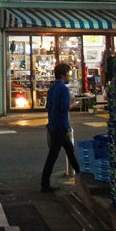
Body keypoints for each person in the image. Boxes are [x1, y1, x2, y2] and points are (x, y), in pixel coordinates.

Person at [40, 62, 80, 192]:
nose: (69, 76)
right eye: (68, 74)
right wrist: (73, 105)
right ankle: (45, 184)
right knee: (54, 155)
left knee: (69, 150)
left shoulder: (52, 88)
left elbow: (48, 106)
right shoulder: (63, 89)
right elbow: (64, 108)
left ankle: (80, 175)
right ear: (63, 75)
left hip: (53, 124)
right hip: (61, 125)